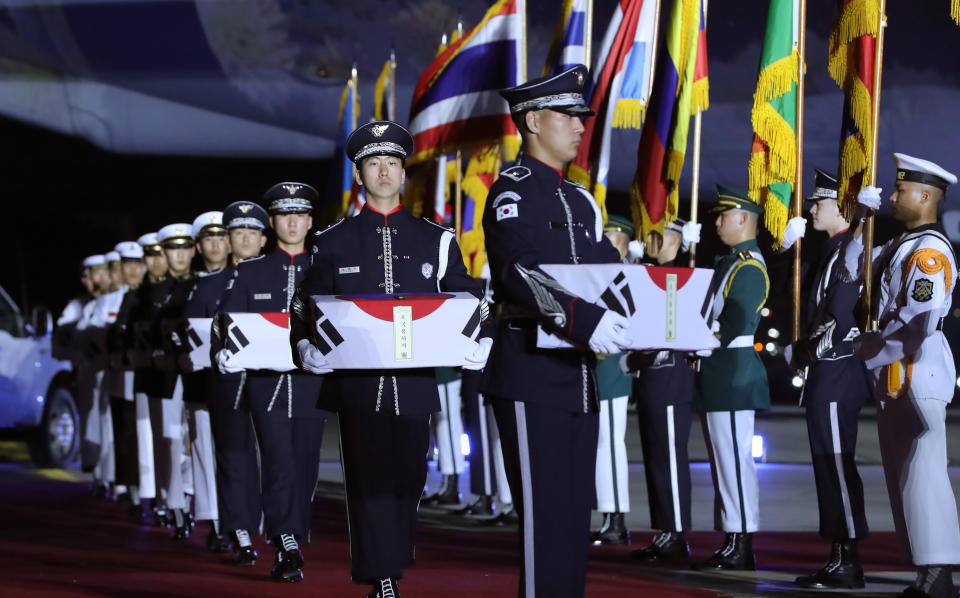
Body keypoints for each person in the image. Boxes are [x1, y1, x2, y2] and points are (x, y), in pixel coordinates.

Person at [291, 120, 491, 598]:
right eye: (374, 163)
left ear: (404, 173)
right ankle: (381, 576)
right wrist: (305, 346)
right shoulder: (332, 241)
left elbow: (470, 298)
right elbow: (306, 305)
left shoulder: (435, 239)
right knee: (368, 478)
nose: (384, 172)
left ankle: (391, 554)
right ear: (359, 174)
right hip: (359, 386)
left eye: (393, 163)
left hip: (417, 384)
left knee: (410, 476)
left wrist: (480, 337)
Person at [481, 65, 630, 597]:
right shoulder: (512, 193)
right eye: (567, 116)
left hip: (578, 374)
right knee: (544, 516)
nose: (578, 126)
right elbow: (519, 273)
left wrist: (661, 319)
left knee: (571, 516)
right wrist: (588, 322)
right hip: (530, 371)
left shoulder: (579, 199)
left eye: (580, 117)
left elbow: (607, 276)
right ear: (533, 121)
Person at [842, 154, 960, 598]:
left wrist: (869, 348)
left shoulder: (930, 252)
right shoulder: (898, 245)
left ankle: (938, 574)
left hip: (918, 367)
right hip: (894, 370)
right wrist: (860, 224)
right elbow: (851, 272)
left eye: (900, 191)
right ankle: (927, 573)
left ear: (926, 196)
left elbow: (920, 321)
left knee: (923, 474)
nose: (892, 197)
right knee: (902, 477)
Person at [217, 182, 327, 583]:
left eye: (300, 213)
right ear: (274, 221)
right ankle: (286, 542)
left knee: (306, 467)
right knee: (278, 463)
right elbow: (225, 323)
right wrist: (222, 350)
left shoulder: (325, 268)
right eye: (284, 214)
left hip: (314, 384)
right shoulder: (251, 271)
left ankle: (293, 536)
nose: (293, 221)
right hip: (267, 385)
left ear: (310, 221)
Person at [780, 168, 871, 589]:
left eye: (820, 202)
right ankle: (838, 552)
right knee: (826, 464)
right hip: (826, 373)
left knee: (836, 463)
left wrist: (803, 353)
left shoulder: (852, 250)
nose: (812, 208)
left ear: (844, 208)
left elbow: (840, 316)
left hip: (837, 369)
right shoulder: (833, 251)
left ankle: (848, 558)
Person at [692, 185, 770, 571]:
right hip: (721, 374)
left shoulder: (749, 266)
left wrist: (693, 339)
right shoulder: (730, 263)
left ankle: (741, 541)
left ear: (744, 219)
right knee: (724, 461)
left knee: (735, 462)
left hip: (734, 374)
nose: (718, 222)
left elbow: (736, 322)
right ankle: (731, 538)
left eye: (724, 215)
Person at [624, 218, 699, 562]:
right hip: (650, 377)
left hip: (671, 377)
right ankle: (665, 530)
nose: (650, 240)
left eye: (657, 235)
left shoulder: (685, 275)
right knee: (656, 459)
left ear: (674, 240)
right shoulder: (649, 274)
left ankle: (677, 532)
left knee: (669, 457)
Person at [203, 200, 269, 566]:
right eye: (237, 233)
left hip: (271, 380)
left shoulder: (280, 276)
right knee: (233, 455)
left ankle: (275, 527)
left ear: (263, 240)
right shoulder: (210, 285)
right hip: (228, 381)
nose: (244, 239)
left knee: (273, 457)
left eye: (252, 233)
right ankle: (240, 530)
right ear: (228, 240)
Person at [180, 211, 230, 552]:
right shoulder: (189, 288)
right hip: (199, 381)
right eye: (208, 239)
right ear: (199, 246)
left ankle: (235, 522)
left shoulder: (242, 279)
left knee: (234, 454)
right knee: (203, 454)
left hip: (234, 382)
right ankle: (215, 521)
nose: (215, 244)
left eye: (220, 237)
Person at [591, 215, 637, 546]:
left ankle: (616, 516)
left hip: (612, 368)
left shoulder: (628, 277)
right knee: (598, 444)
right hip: (593, 368)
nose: (606, 244)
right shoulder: (597, 275)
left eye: (612, 239)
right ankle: (607, 514)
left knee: (610, 443)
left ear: (624, 243)